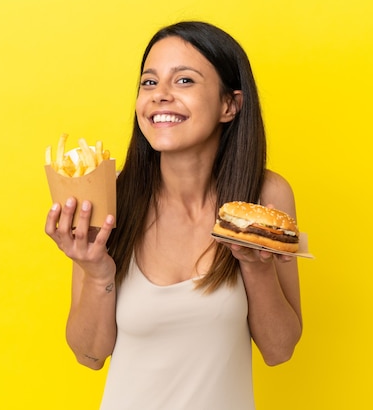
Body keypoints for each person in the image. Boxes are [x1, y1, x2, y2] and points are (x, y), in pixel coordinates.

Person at [45, 21, 302, 410]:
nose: (160, 96)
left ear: (229, 105)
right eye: (149, 83)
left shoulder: (264, 199)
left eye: (183, 81)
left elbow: (279, 349)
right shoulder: (108, 195)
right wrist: (97, 272)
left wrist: (257, 267)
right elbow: (90, 355)